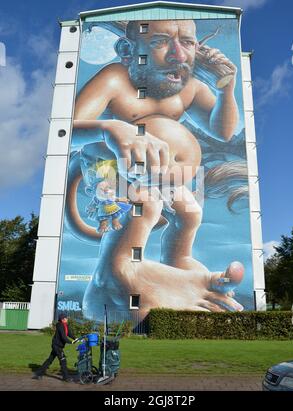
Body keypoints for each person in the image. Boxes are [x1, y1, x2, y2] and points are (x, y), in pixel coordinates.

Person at [67, 19, 245, 318]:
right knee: (144, 207)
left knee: (189, 214)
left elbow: (225, 132)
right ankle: (114, 275)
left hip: (163, 175)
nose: (178, 54)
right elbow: (66, 130)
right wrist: (110, 127)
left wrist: (227, 88)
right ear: (128, 50)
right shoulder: (114, 78)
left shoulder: (187, 88)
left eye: (187, 42)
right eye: (160, 41)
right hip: (111, 167)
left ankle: (180, 261)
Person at [32, 313, 78, 382]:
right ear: (62, 319)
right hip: (57, 346)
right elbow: (63, 337)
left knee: (50, 360)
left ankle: (38, 374)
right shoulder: (60, 326)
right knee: (63, 360)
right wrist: (71, 342)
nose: (67, 319)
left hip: (57, 346)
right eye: (66, 318)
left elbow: (69, 333)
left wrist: (75, 338)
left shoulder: (65, 325)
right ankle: (66, 378)